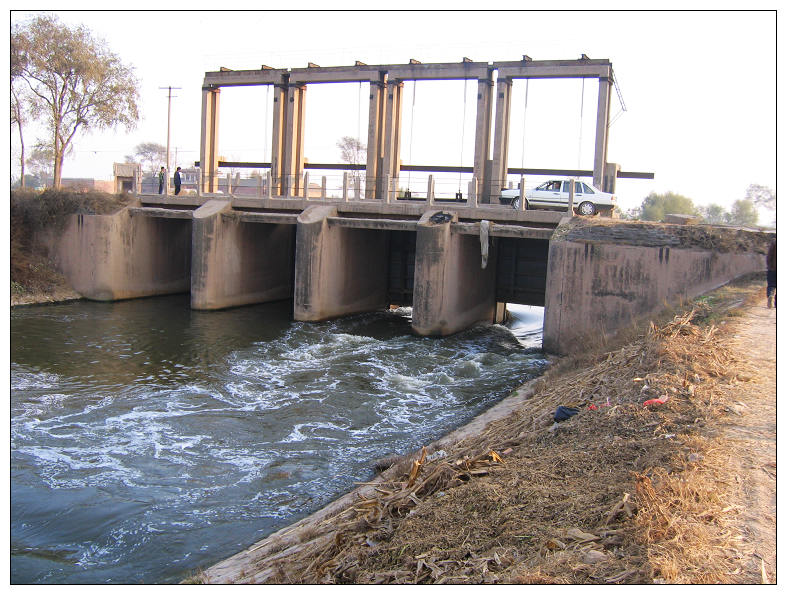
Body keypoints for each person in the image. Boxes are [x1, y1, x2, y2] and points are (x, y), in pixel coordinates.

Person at [766, 238, 776, 308]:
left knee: (771, 285)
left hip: (772, 269)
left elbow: (769, 257)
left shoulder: (774, 243)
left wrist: (769, 266)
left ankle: (770, 295)